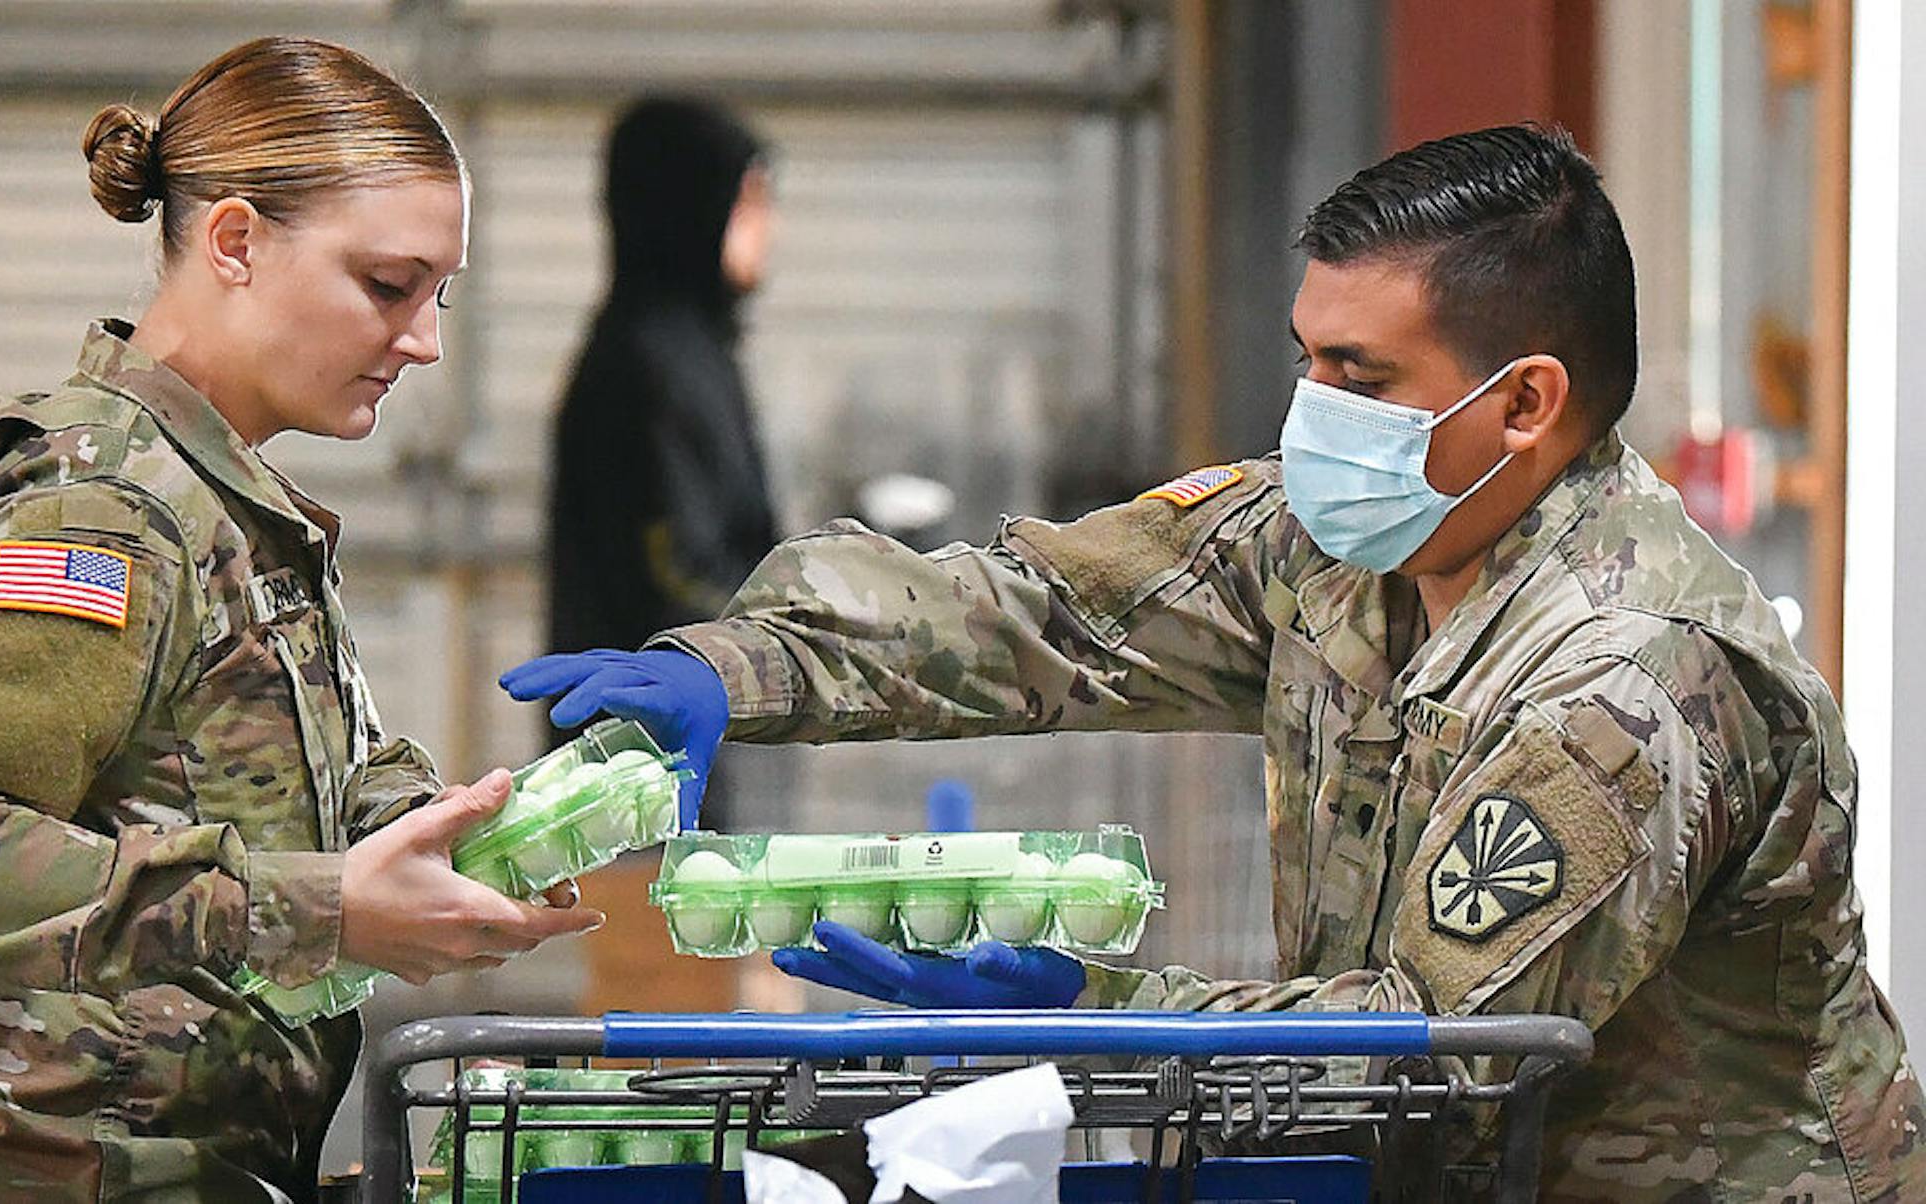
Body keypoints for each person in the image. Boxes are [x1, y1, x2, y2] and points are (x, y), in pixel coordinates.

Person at [502, 125, 1926, 1199]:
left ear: (1527, 405)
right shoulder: (1343, 541)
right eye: (1307, 357)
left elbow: (1435, 1038)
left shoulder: (1633, 678)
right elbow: (1053, 614)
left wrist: (1092, 1007)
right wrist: (742, 669)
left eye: (1362, 379)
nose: (1313, 414)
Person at [0, 38, 601, 1203]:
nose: (425, 341)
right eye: (387, 285)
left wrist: (457, 838)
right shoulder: (95, 514)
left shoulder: (220, 501)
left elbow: (238, 786)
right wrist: (325, 909)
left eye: (438, 295)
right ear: (236, 242)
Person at [543, 96, 779, 819]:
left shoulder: (699, 349)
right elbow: (672, 570)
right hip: (643, 754)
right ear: (691, 206)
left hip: (700, 722)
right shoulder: (644, 364)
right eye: (750, 200)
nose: (769, 229)